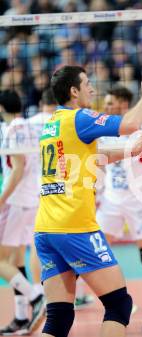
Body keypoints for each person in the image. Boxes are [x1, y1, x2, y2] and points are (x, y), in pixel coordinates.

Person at [33, 64, 142, 337]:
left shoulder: (52, 124)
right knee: (119, 305)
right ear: (73, 91)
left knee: (58, 318)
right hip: (75, 227)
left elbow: (97, 152)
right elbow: (129, 124)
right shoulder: (79, 117)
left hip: (46, 228)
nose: (92, 88)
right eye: (87, 84)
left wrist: (132, 149)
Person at [97, 86, 142, 334]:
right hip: (112, 202)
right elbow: (101, 162)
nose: (106, 107)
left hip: (140, 202)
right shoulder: (103, 131)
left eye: (111, 103)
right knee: (97, 254)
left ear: (124, 105)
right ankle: (115, 300)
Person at [0, 89, 46, 335]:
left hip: (16, 202)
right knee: (15, 261)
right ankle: (20, 318)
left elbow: (17, 169)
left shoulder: (14, 129)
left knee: (0, 260)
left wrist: (1, 200)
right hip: (29, 200)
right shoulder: (26, 126)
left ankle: (36, 296)